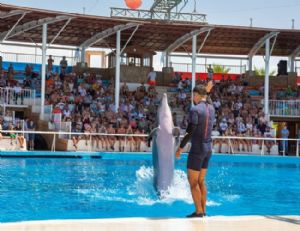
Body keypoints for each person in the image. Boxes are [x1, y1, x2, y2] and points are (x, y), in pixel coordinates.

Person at [176, 81, 215, 218]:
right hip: (208, 149)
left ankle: (199, 212)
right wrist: (207, 91)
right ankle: (203, 211)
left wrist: (180, 147)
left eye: (193, 94)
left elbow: (190, 130)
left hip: (197, 149)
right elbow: (207, 100)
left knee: (193, 182)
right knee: (201, 181)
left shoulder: (195, 109)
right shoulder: (212, 108)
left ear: (196, 95)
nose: (193, 97)